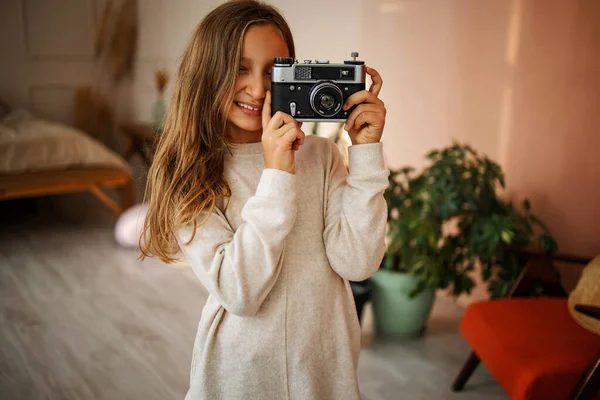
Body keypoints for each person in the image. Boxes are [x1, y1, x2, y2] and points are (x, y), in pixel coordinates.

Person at [140, 0, 389, 398]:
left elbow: (357, 263)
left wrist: (365, 154)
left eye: (275, 71)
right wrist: (276, 174)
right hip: (238, 379)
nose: (258, 88)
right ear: (207, 74)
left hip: (326, 376)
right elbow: (240, 291)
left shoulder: (321, 156)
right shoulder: (192, 176)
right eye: (240, 68)